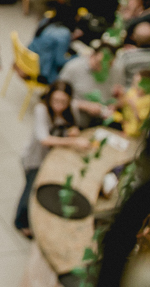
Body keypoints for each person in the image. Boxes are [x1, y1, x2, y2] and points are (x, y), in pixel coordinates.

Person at [15, 81, 92, 236]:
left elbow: (74, 122)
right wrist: (73, 141)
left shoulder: (72, 108)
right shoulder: (41, 110)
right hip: (36, 159)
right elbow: (44, 139)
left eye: (64, 102)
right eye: (55, 101)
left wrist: (73, 132)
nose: (59, 105)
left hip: (57, 159)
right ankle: (22, 222)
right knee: (32, 190)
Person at [29, 2, 77, 83]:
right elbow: (60, 61)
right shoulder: (64, 33)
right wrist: (77, 57)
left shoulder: (45, 21)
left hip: (29, 60)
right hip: (42, 71)